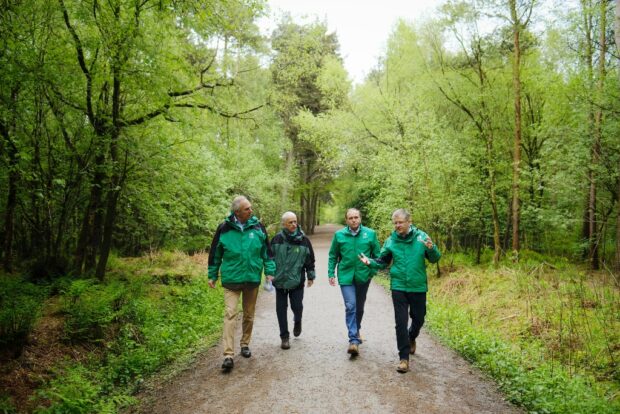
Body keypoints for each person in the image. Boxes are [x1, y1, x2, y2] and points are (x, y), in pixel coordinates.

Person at [359, 208, 441, 373]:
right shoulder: (391, 241)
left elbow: (435, 259)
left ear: (409, 222)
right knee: (400, 322)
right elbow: (382, 261)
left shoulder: (422, 237)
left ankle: (412, 337)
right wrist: (370, 262)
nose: (397, 225)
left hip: (417, 286)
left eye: (400, 222)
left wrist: (432, 249)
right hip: (398, 287)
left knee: (419, 319)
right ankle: (404, 358)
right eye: (395, 223)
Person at [208, 196, 275, 371]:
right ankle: (228, 354)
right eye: (247, 209)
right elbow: (215, 252)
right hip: (231, 279)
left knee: (249, 314)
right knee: (230, 314)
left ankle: (245, 344)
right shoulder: (224, 228)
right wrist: (212, 274)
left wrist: (269, 272)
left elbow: (266, 252)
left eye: (251, 208)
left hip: (252, 278)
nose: (251, 211)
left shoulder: (258, 227)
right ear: (237, 212)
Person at [328, 208, 381, 356]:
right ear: (346, 220)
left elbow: (378, 256)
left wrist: (372, 271)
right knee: (350, 305)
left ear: (360, 218)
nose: (353, 220)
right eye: (350, 218)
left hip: (364, 276)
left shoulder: (370, 234)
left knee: (359, 307)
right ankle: (353, 340)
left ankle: (356, 329)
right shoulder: (339, 235)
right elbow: (333, 255)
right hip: (346, 276)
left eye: (356, 217)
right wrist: (331, 273)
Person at [270, 212, 315, 350]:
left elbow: (309, 259)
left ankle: (297, 320)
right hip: (280, 282)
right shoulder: (276, 239)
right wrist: (269, 273)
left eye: (295, 221)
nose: (294, 224)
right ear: (284, 224)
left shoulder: (304, 240)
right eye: (290, 222)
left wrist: (311, 275)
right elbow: (269, 258)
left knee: (297, 307)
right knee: (281, 310)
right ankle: (284, 337)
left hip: (297, 281)